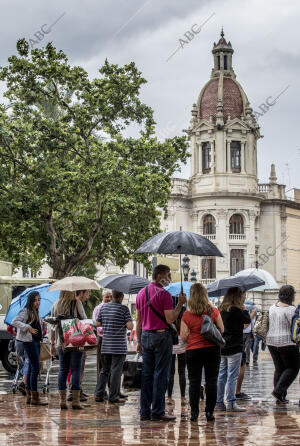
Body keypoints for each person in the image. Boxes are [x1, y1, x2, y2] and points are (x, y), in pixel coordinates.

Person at [136, 264, 186, 421]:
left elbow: (138, 320)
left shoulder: (140, 293)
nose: (169, 279)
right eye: (168, 275)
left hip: (145, 336)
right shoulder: (164, 295)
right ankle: (157, 411)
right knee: (160, 374)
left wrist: (139, 341)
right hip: (161, 336)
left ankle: (144, 411)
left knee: (146, 375)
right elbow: (170, 318)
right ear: (159, 277)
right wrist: (180, 304)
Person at [180, 283, 224, 422]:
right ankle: (209, 412)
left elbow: (183, 335)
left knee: (194, 382)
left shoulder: (187, 314)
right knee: (212, 381)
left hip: (193, 350)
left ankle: (194, 413)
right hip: (212, 349)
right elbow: (222, 330)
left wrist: (192, 334)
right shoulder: (213, 311)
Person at [215, 287, 251, 412]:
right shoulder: (236, 309)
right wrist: (245, 309)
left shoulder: (221, 309)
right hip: (234, 346)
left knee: (221, 375)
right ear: (236, 297)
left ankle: (219, 402)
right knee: (232, 376)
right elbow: (247, 320)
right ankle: (230, 403)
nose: (243, 297)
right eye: (241, 295)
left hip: (223, 346)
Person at [50, 290, 86, 410]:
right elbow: (84, 320)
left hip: (61, 342)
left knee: (63, 369)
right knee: (76, 369)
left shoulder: (56, 304)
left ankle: (62, 401)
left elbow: (52, 326)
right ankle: (76, 401)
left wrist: (52, 343)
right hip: (75, 340)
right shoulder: (76, 303)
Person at [95, 289, 133, 403]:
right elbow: (130, 326)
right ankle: (113, 397)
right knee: (116, 371)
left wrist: (108, 321)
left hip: (106, 345)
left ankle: (99, 394)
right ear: (121, 296)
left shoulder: (104, 307)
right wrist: (125, 320)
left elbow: (97, 323)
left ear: (112, 296)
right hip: (118, 347)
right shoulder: (124, 309)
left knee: (104, 370)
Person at [12, 291, 48, 406]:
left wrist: (43, 323)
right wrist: (28, 327)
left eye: (39, 300)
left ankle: (30, 397)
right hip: (29, 342)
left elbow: (37, 324)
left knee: (32, 369)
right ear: (31, 300)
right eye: (35, 300)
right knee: (35, 369)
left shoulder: (35, 312)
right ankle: (34, 397)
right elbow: (15, 322)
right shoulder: (26, 311)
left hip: (36, 342)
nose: (37, 302)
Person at [266, 285, 300, 403]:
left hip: (271, 341)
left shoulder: (272, 308)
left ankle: (280, 396)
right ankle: (278, 392)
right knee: (293, 368)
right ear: (291, 295)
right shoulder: (291, 310)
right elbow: (295, 326)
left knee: (279, 369)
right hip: (287, 342)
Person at [235, 301, 256, 401]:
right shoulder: (238, 310)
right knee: (239, 367)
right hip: (236, 342)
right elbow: (245, 324)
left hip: (227, 343)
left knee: (224, 371)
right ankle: (236, 393)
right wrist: (249, 314)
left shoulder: (223, 309)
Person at [166, 308, 187, 406]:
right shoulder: (184, 321)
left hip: (171, 349)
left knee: (170, 373)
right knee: (182, 372)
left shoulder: (171, 321)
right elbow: (186, 335)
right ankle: (183, 398)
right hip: (182, 349)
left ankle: (169, 398)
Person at [93, 290, 112, 376]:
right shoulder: (98, 308)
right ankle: (101, 387)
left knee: (111, 362)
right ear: (102, 297)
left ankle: (110, 385)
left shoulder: (112, 307)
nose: (109, 299)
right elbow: (95, 323)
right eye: (107, 297)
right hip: (101, 338)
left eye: (110, 297)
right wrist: (106, 328)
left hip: (111, 338)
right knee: (101, 362)